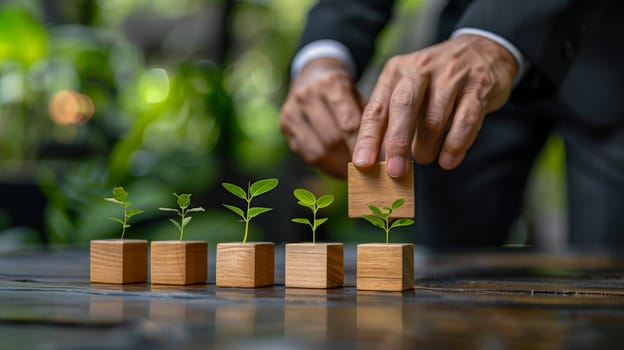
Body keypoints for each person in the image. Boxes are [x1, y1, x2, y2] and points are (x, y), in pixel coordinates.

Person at [280, 0, 624, 248]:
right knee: (443, 268)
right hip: (454, 76)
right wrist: (322, 57)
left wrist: (495, 36)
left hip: (611, 60)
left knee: (607, 278)